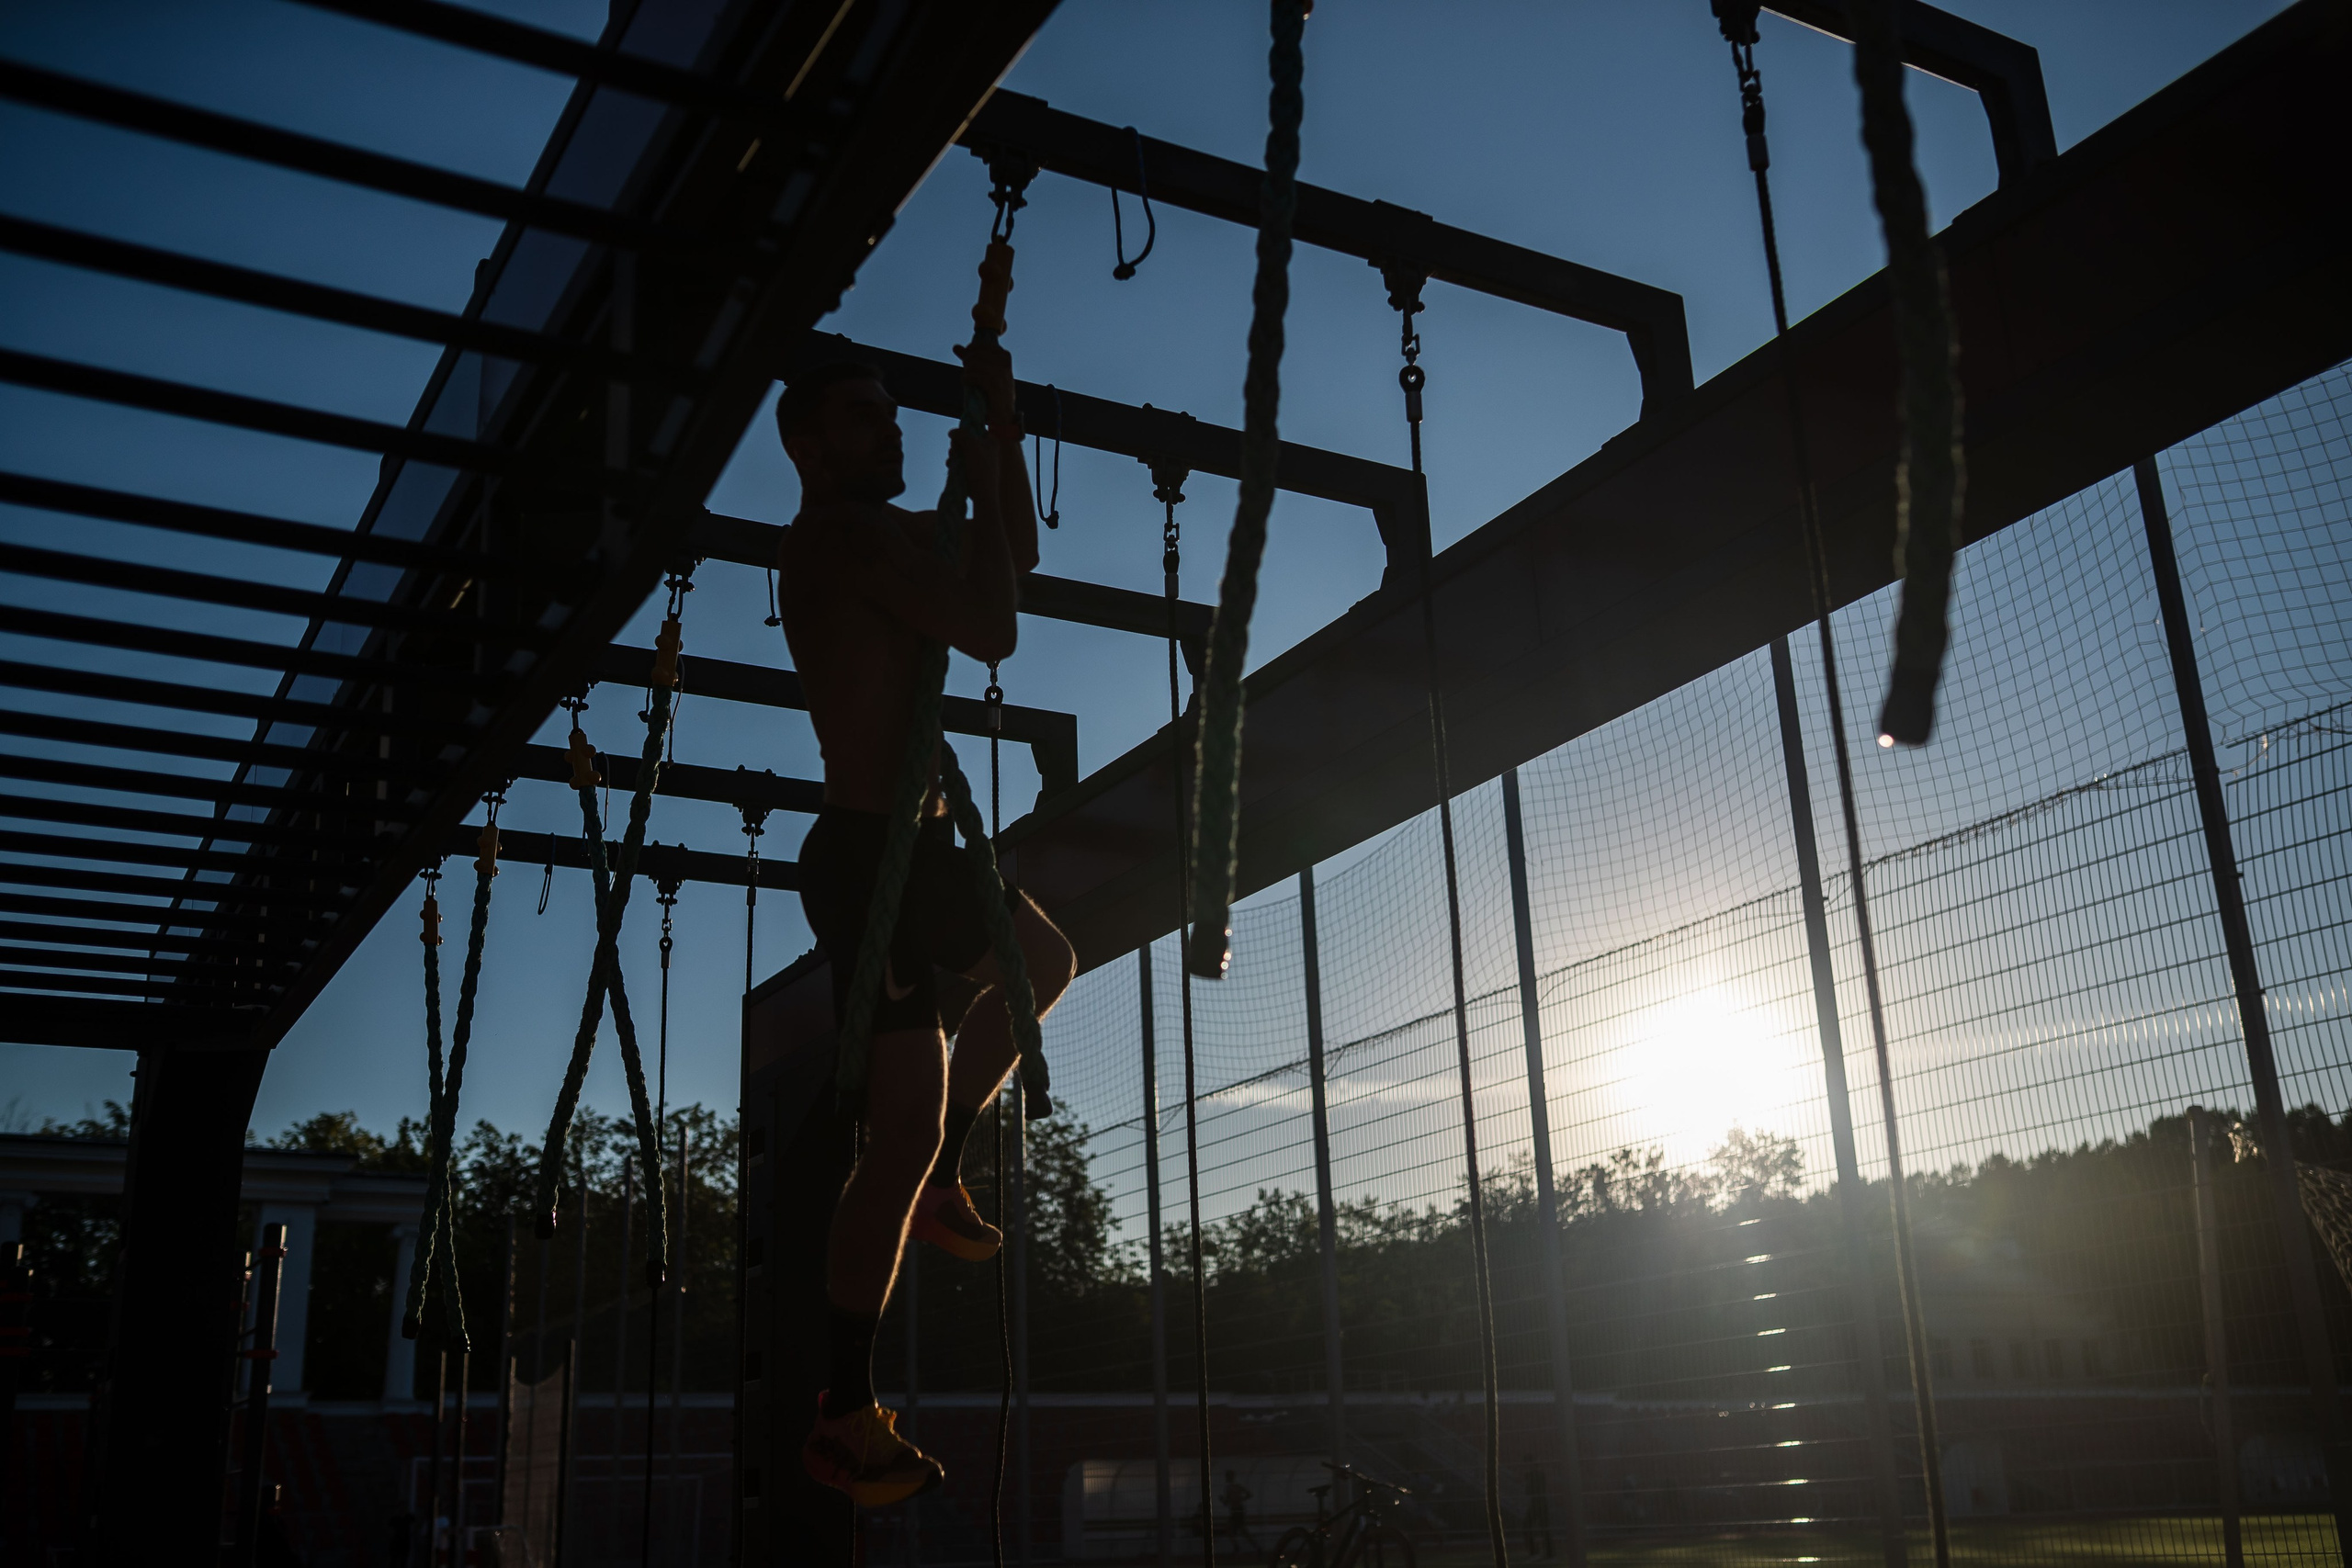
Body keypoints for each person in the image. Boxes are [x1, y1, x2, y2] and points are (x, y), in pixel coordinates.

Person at [778, 350, 1077, 1508]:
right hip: (866, 860)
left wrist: (999, 429)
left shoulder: (893, 532)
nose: (888, 433)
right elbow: (995, 625)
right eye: (863, 418)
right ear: (809, 444)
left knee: (1044, 961)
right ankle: (842, 1410)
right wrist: (985, 464)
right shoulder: (838, 542)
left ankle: (949, 1168)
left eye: (893, 417)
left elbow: (1017, 563)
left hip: (928, 842)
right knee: (889, 1138)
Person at [1521, 1456, 1554, 1560]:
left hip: (1538, 1501)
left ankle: (1541, 1552)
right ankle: (1540, 1552)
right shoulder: (1532, 1474)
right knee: (1539, 1527)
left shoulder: (1536, 1474)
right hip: (1536, 1501)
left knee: (1539, 1527)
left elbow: (1531, 1490)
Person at [1222, 1469, 1257, 1552]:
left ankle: (1240, 1547)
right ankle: (1253, 1547)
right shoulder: (1232, 1487)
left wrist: (1239, 1499)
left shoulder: (1234, 1487)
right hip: (1235, 1510)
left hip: (1238, 1510)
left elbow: (1249, 1494)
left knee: (1239, 1531)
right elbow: (1227, 1502)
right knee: (1238, 1531)